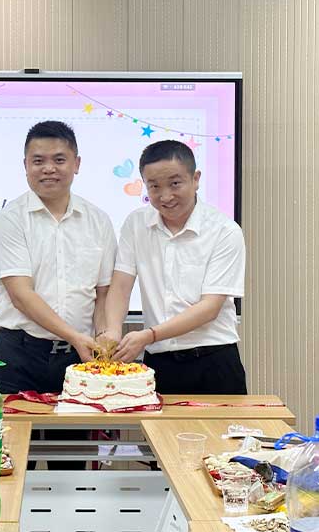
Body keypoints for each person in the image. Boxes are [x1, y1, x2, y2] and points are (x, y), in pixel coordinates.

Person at [0, 120, 116, 468]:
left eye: (59, 159)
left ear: (76, 164)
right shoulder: (10, 220)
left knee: (73, 463)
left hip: (78, 360)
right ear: (25, 165)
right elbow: (21, 295)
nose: (49, 168)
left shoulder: (98, 221)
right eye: (38, 160)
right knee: (13, 462)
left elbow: (103, 295)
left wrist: (103, 338)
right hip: (19, 355)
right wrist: (76, 336)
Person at [104, 139, 247, 395]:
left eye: (175, 184)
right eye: (154, 186)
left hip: (214, 362)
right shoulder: (136, 224)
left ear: (195, 179)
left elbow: (209, 307)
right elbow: (121, 286)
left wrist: (149, 335)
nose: (165, 196)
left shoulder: (224, 231)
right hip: (159, 363)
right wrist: (113, 331)